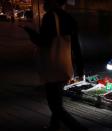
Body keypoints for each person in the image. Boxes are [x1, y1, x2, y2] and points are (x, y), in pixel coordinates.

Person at [23, 0, 87, 131]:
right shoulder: (69, 18)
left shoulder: (50, 17)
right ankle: (54, 126)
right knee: (57, 100)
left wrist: (30, 33)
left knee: (55, 107)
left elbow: (43, 42)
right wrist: (80, 69)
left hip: (52, 67)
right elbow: (76, 46)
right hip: (65, 65)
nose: (43, 4)